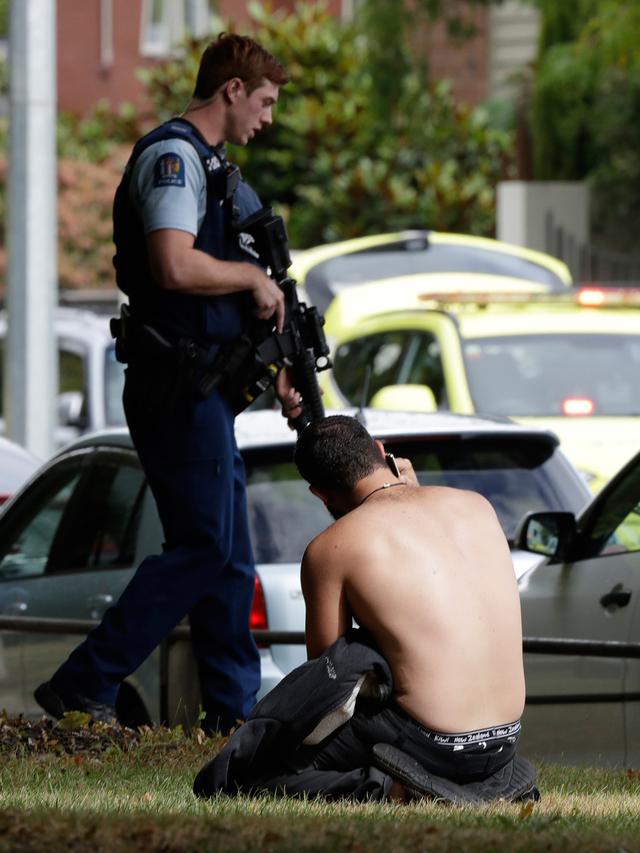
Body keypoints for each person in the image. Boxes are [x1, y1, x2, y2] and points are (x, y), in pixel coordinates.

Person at [35, 33, 302, 734]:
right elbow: (173, 267)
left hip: (203, 388)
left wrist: (279, 363)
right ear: (232, 90)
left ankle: (233, 714)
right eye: (266, 101)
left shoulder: (218, 170)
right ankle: (83, 682)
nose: (269, 118)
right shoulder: (175, 158)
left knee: (228, 554)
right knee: (203, 545)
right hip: (173, 385)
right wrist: (249, 277)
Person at [193, 414, 535, 802]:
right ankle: (478, 785)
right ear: (380, 452)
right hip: (505, 743)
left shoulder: (331, 548)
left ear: (320, 494)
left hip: (432, 744)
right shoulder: (476, 506)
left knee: (249, 779)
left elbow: (328, 676)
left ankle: (393, 790)